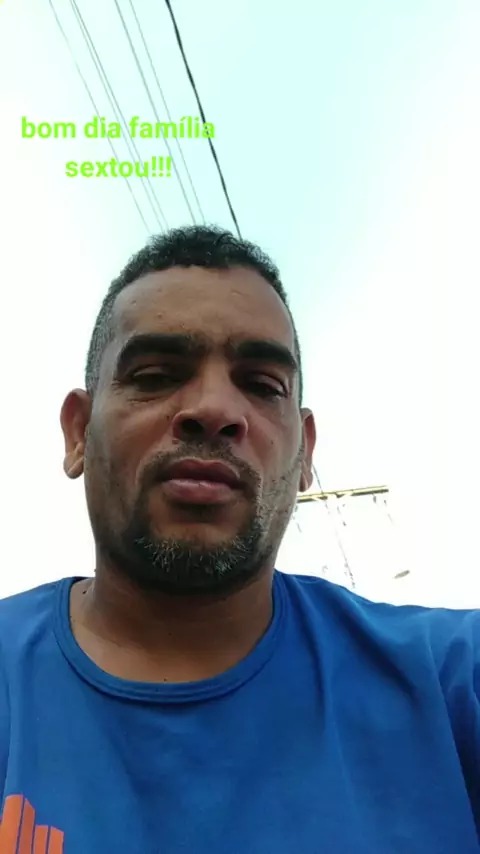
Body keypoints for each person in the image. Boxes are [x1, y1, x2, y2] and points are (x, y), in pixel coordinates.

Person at [0, 225, 478, 854]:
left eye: (262, 385)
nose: (215, 409)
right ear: (78, 433)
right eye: (155, 374)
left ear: (305, 453)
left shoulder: (450, 684)